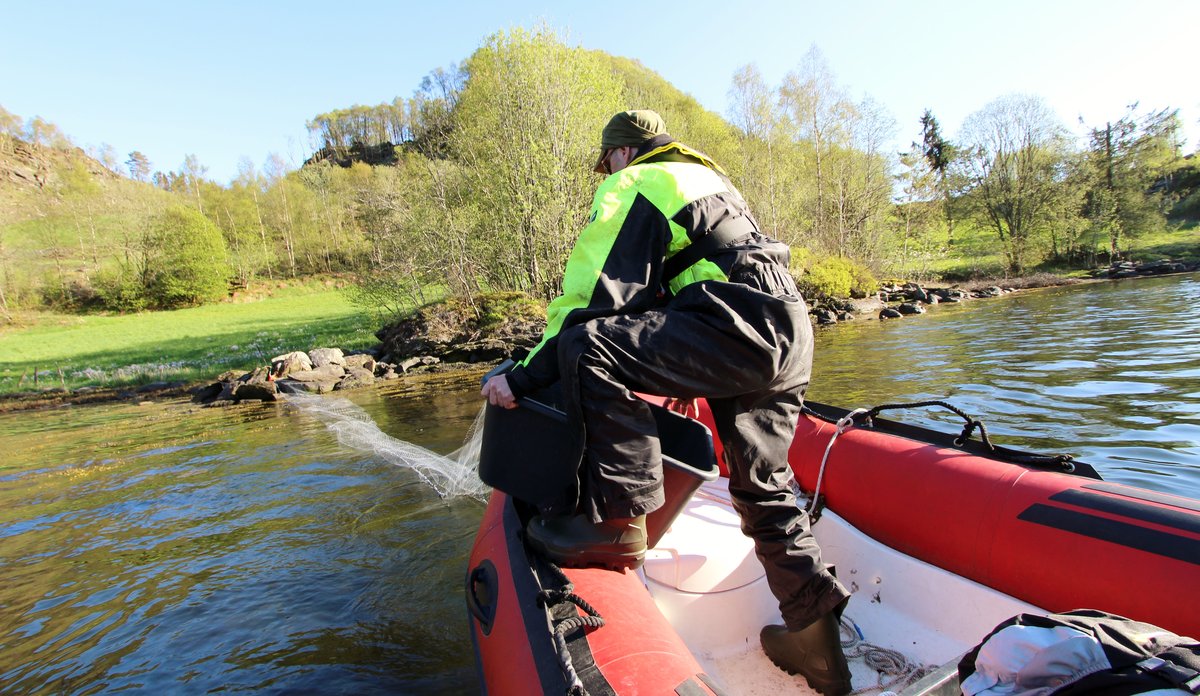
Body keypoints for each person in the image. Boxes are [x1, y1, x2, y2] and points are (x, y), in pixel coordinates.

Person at [481, 110, 852, 695]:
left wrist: (523, 378)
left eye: (605, 164)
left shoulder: (635, 184)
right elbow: (678, 291)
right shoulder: (708, 183)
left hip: (736, 324)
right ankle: (818, 649)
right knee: (765, 483)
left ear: (622, 155)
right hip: (786, 325)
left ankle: (618, 523)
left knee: (587, 345)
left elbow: (593, 302)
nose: (605, 173)